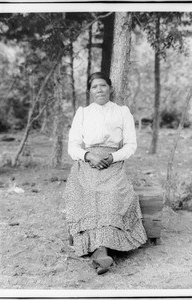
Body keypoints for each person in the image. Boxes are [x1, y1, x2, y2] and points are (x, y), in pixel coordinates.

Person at [63, 72, 147, 275]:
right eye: (94, 87)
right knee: (88, 192)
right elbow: (73, 146)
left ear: (110, 88)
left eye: (103, 85)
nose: (99, 89)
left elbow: (130, 145)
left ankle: (101, 251)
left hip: (113, 163)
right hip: (87, 163)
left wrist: (112, 158)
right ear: (89, 91)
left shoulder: (122, 112)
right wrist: (88, 155)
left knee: (112, 193)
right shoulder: (83, 112)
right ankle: (99, 251)